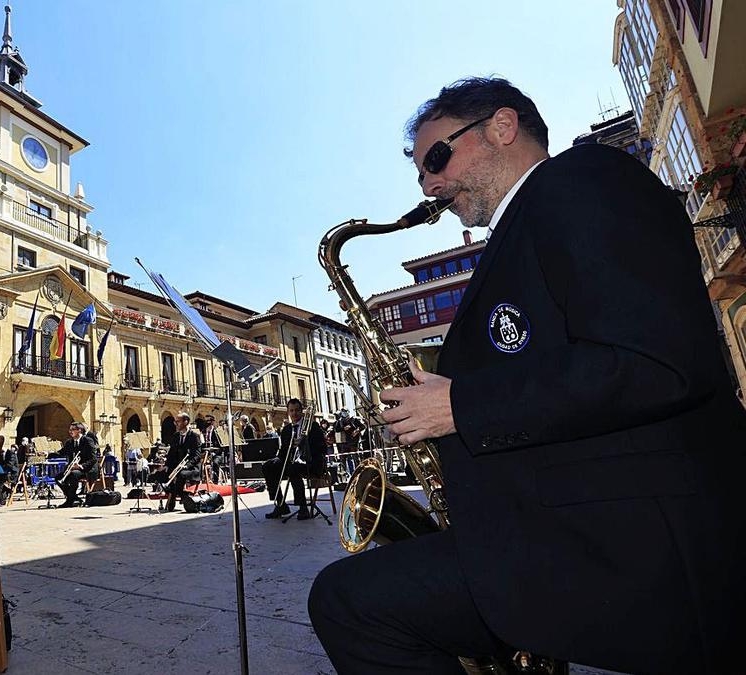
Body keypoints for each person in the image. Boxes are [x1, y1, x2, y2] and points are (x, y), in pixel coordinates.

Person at [308, 77, 746, 674]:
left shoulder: (583, 179)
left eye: (437, 158)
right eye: (419, 175)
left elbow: (655, 361)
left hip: (632, 544)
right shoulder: (527, 227)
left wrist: (461, 406)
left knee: (350, 602)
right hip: (576, 531)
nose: (430, 184)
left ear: (502, 127)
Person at [262, 399, 327, 520]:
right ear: (288, 412)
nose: (294, 413)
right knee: (268, 466)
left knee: (293, 468)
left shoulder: (312, 426)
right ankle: (280, 504)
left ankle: (303, 507)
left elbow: (322, 447)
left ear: (301, 411)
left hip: (310, 462)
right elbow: (282, 453)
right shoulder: (286, 430)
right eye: (291, 411)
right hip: (292, 462)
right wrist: (277, 459)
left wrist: (304, 442)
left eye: (297, 410)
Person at [163, 412, 202, 512]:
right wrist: (167, 465)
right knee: (163, 474)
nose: (175, 424)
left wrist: (187, 465)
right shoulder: (175, 436)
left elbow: (197, 455)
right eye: (175, 421)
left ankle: (175, 496)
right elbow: (171, 453)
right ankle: (183, 495)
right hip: (178, 466)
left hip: (192, 468)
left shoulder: (194, 436)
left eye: (178, 421)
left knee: (181, 474)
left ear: (186, 422)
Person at [57, 422, 98, 507]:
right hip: (75, 469)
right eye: (70, 429)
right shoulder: (69, 442)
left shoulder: (87, 440)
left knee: (73, 474)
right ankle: (74, 498)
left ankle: (70, 501)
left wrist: (81, 466)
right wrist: (47, 453)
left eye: (72, 429)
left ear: (79, 430)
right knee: (58, 477)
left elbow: (93, 459)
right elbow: (60, 453)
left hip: (88, 469)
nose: (70, 431)